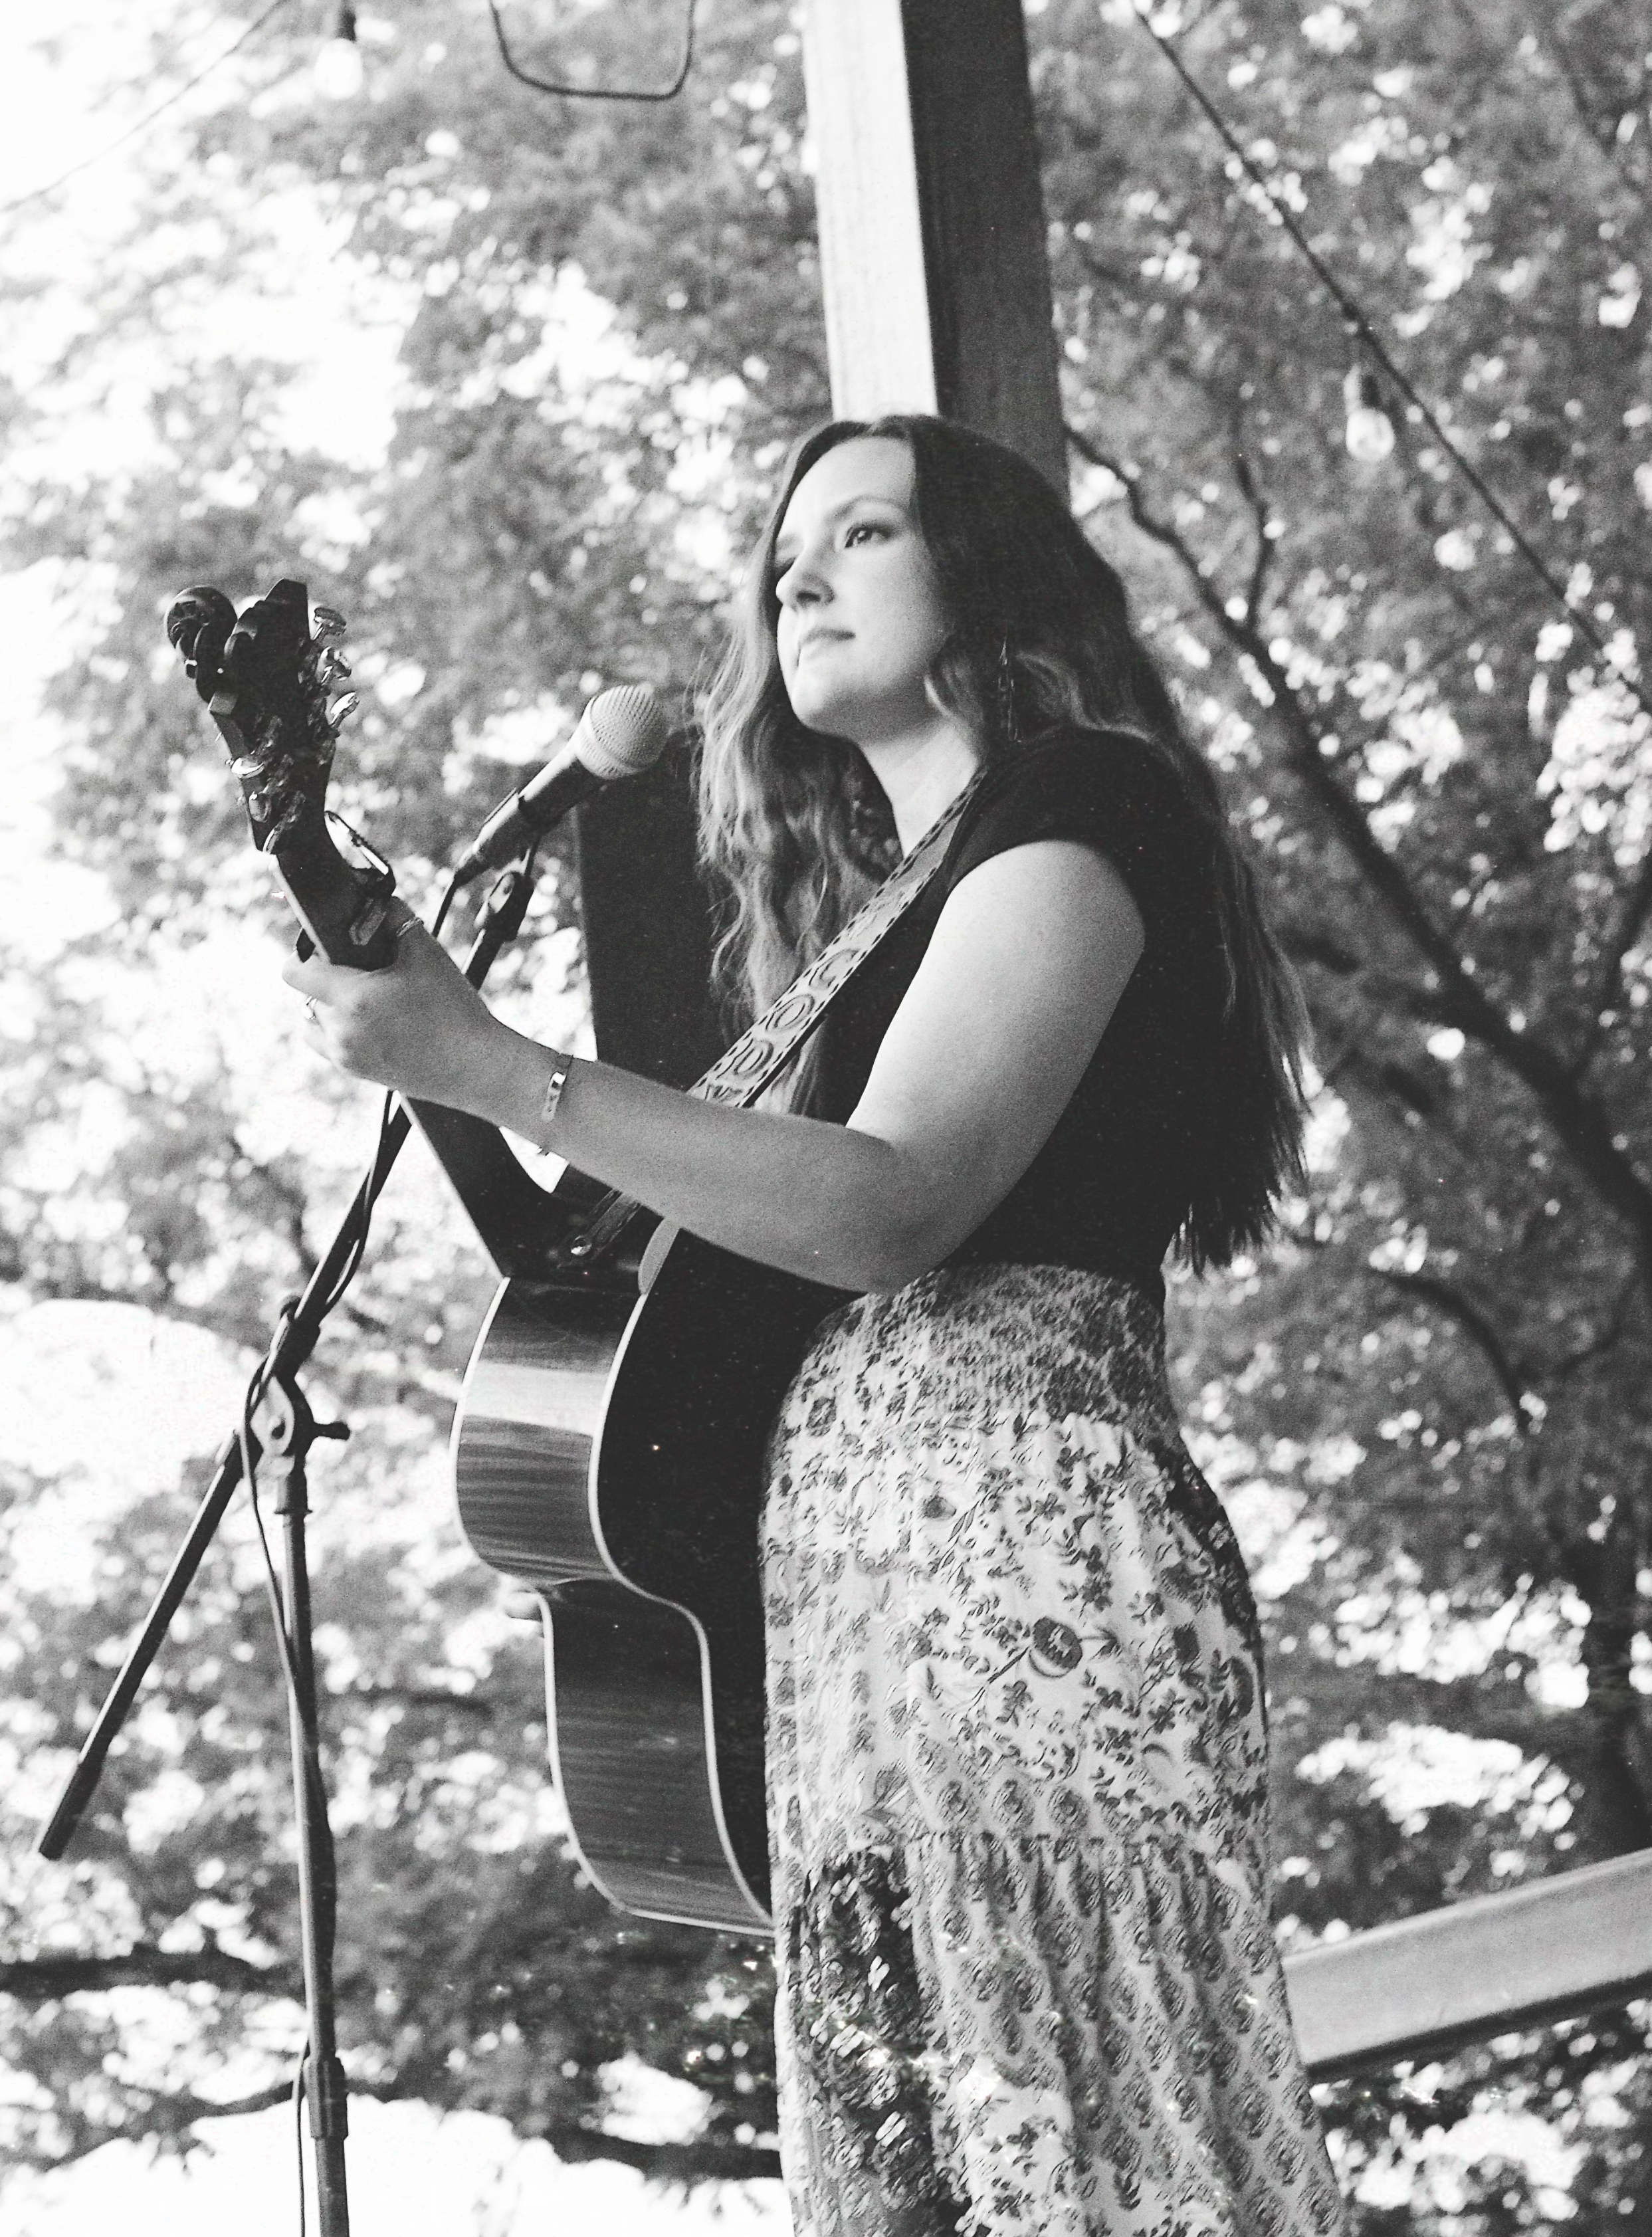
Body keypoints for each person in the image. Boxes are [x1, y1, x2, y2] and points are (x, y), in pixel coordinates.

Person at [286, 413, 1346, 2237]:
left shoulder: (1085, 805)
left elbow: (889, 1198)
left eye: (862, 531)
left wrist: (502, 1064)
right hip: (858, 1641)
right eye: (787, 548)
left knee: (1078, 2161)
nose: (798, 570)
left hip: (1029, 1587)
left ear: (988, 579)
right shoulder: (865, 933)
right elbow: (600, 1269)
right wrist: (450, 1061)